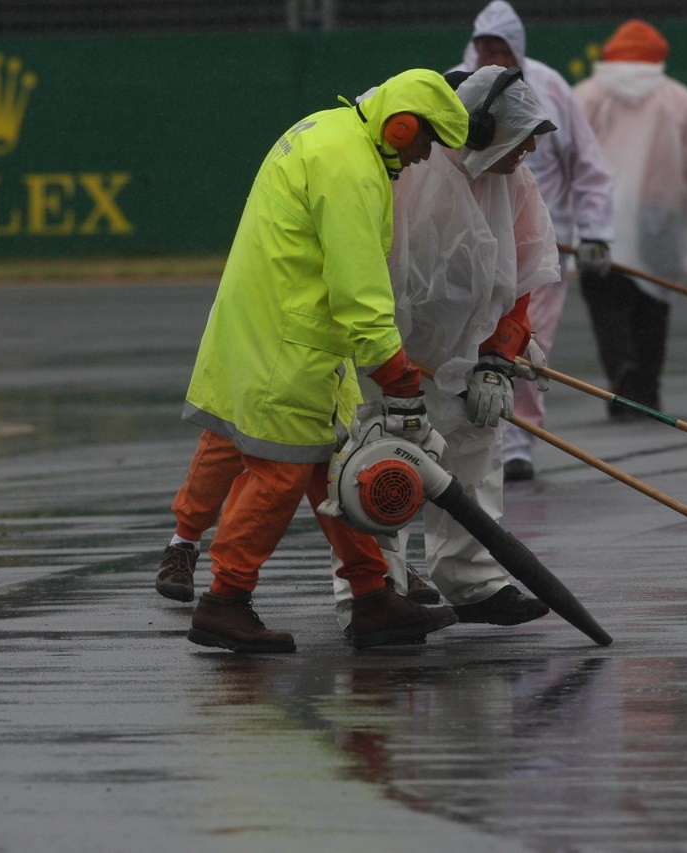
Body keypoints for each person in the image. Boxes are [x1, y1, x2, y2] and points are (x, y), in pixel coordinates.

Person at [155, 69, 471, 653]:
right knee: (278, 476)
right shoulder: (349, 167)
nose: (426, 157)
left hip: (284, 333)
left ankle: (372, 597)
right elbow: (358, 287)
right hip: (288, 345)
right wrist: (396, 374)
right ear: (402, 125)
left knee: (334, 470)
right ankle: (226, 600)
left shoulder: (330, 134)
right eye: (426, 142)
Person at [330, 65, 562, 631]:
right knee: (381, 457)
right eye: (519, 142)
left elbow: (522, 275)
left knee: (476, 448)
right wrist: (381, 354)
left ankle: (474, 581)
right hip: (391, 347)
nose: (526, 154)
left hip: (466, 352)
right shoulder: (409, 166)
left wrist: (498, 357)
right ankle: (376, 585)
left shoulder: (513, 178)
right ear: (479, 131)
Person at [453, 0, 615, 482]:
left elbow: (587, 165)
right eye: (486, 47)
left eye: (501, 48)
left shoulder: (550, 88)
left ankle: (518, 438)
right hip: (467, 240)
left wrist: (596, 232)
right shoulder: (455, 87)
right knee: (464, 339)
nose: (492, 56)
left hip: (540, 243)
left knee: (524, 337)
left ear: (517, 48)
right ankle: (466, 433)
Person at [572, 19, 687, 416]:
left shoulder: (586, 95)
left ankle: (621, 368)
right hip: (659, 216)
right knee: (654, 303)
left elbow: (560, 149)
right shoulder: (676, 97)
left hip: (600, 217)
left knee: (606, 298)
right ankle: (646, 389)